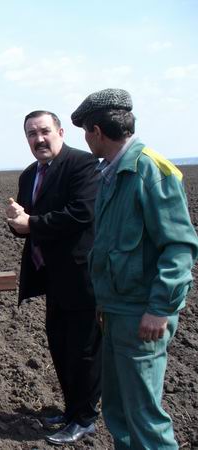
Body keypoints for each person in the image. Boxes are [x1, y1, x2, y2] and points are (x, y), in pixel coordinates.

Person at [71, 88, 198, 449]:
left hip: (142, 314)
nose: (86, 140)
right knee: (118, 412)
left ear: (96, 131)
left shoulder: (150, 171)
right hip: (115, 311)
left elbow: (179, 246)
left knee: (144, 417)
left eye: (85, 132)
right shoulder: (113, 172)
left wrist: (160, 309)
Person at [6, 111, 102, 445]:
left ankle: (85, 418)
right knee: (60, 347)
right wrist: (17, 222)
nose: (39, 139)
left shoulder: (84, 165)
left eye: (45, 131)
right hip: (52, 278)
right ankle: (72, 409)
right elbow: (25, 222)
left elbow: (81, 213)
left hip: (82, 277)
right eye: (31, 134)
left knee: (84, 350)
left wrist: (30, 223)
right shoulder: (30, 174)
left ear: (60, 131)